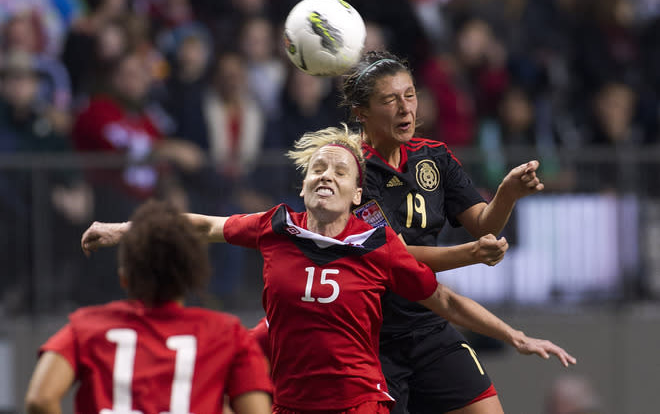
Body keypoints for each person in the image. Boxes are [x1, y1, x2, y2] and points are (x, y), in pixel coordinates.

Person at [81, 125, 576, 414]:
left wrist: (515, 336)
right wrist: (122, 229)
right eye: (318, 168)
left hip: (360, 402)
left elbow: (443, 301)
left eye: (340, 171)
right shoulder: (275, 227)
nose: (326, 175)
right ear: (303, 186)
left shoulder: (376, 245)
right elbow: (203, 225)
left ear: (358, 195)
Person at [342, 50, 549, 413]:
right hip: (372, 337)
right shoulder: (352, 170)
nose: (406, 108)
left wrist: (508, 193)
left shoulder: (434, 157)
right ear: (361, 112)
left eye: (410, 94)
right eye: (390, 100)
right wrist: (471, 254)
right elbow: (398, 258)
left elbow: (484, 224)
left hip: (427, 324)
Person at [24, 199, 273, 414]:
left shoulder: (87, 326)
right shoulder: (227, 334)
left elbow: (40, 399)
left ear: (124, 278)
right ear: (194, 277)